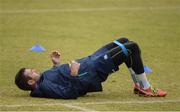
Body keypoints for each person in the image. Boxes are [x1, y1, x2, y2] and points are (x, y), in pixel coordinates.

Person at [15, 38, 167, 99]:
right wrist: (74, 73)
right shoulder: (44, 88)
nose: (34, 70)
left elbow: (59, 77)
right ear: (30, 82)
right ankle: (145, 87)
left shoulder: (42, 80)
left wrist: (56, 64)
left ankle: (139, 86)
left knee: (123, 41)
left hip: (89, 61)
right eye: (31, 72)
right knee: (131, 48)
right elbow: (69, 93)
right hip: (92, 71)